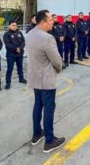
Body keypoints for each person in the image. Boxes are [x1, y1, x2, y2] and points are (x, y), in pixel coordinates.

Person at [25, 10, 65, 153]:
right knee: (49, 108)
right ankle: (49, 140)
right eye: (50, 20)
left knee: (38, 105)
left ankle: (37, 134)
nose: (52, 22)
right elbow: (56, 60)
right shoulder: (47, 38)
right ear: (42, 22)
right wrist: (59, 68)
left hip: (35, 76)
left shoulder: (30, 34)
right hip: (46, 79)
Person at [3, 21, 26, 89]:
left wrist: (20, 48)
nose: (15, 26)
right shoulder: (6, 34)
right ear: (9, 26)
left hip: (20, 53)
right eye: (13, 25)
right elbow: (7, 44)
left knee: (20, 67)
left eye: (16, 25)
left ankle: (21, 79)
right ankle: (8, 83)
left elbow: (23, 41)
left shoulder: (19, 33)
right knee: (10, 69)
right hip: (11, 54)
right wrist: (16, 48)